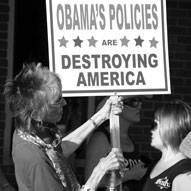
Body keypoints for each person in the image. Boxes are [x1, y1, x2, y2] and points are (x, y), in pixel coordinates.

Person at [3, 62, 126, 191]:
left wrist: (102, 114)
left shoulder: (28, 132)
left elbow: (61, 149)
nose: (65, 103)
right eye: (57, 101)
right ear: (37, 114)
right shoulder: (37, 160)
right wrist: (99, 171)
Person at [85, 96, 152, 191]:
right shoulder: (101, 138)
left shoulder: (129, 138)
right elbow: (90, 180)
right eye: (133, 102)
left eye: (140, 101)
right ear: (118, 106)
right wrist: (131, 175)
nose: (139, 106)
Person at [142, 100, 191, 191]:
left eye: (155, 125)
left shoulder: (185, 171)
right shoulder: (153, 164)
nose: (152, 130)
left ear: (172, 127)